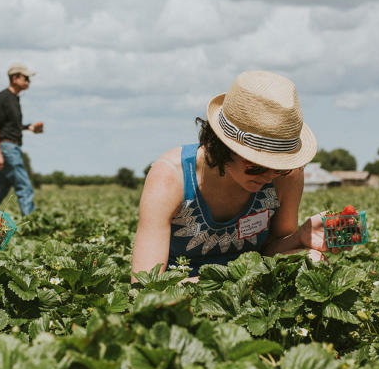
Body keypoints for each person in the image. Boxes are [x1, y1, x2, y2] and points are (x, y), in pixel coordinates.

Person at [131, 71, 341, 283]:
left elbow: (272, 250)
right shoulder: (171, 176)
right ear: (223, 147)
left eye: (279, 167)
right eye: (257, 166)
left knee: (313, 261)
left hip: (252, 282)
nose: (270, 177)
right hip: (185, 292)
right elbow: (145, 285)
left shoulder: (288, 176)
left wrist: (300, 237)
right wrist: (236, 280)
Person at [0, 64, 43, 216]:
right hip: (8, 148)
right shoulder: (4, 97)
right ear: (15, 78)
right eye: (26, 78)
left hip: (11, 147)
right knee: (24, 186)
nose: (28, 82)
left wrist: (30, 128)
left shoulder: (14, 99)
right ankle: (31, 225)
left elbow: (12, 126)